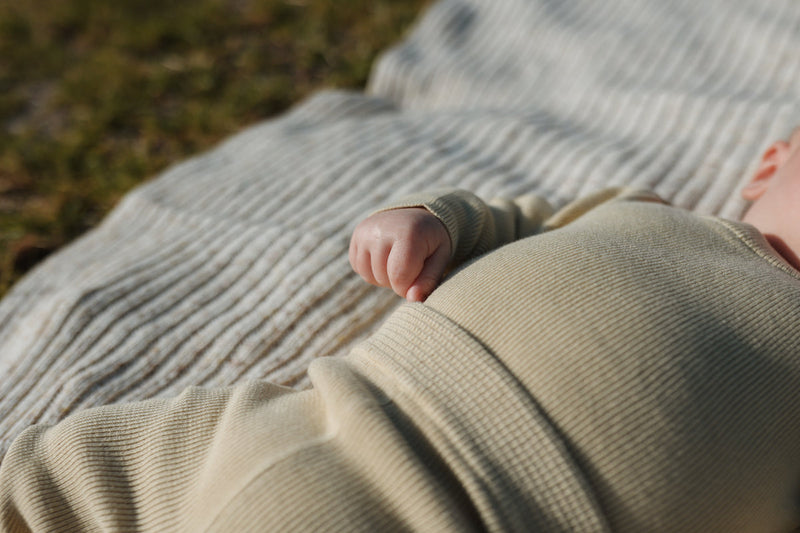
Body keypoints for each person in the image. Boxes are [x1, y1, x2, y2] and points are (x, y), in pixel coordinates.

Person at [2, 129, 800, 532]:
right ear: (770, 165)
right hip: (327, 416)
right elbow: (505, 225)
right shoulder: (640, 214)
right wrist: (431, 223)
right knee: (78, 467)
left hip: (492, 518)